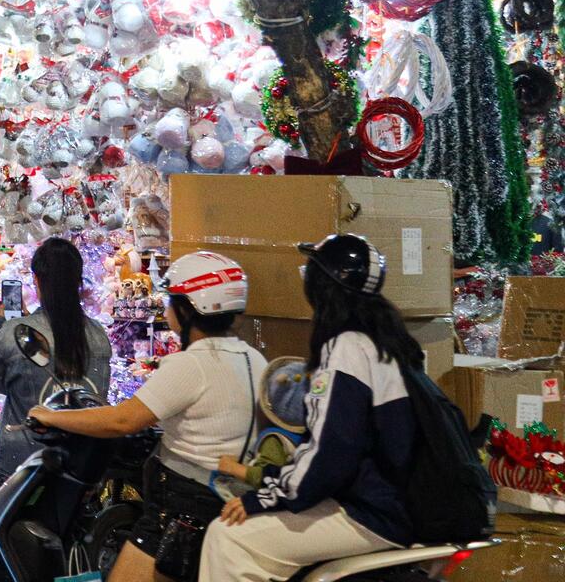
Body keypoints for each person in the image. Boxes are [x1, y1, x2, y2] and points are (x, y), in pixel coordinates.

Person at [30, 251, 264, 582]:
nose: (167, 309)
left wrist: (51, 417)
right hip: (225, 499)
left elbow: (122, 421)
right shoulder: (253, 358)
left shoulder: (190, 364)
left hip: (180, 511)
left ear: (188, 309)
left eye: (171, 300)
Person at [200, 235, 417, 582]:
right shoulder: (386, 339)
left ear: (322, 286)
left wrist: (265, 498)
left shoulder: (347, 348)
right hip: (387, 502)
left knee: (227, 536)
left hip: (369, 511)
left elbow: (332, 453)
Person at [0, 236, 114, 492]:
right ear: (79, 282)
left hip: (20, 466)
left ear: (36, 280)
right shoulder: (98, 336)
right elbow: (97, 394)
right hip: (80, 467)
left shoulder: (16, 332)